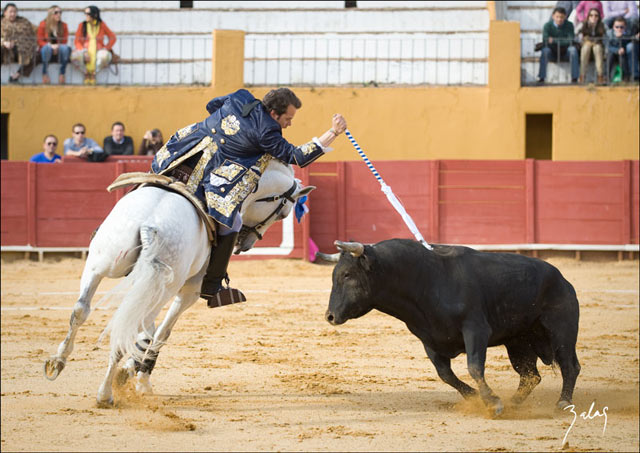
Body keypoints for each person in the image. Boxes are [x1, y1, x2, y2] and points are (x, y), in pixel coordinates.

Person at [151, 88, 347, 307]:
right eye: (288, 119)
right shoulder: (268, 133)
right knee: (232, 222)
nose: (289, 124)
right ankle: (212, 286)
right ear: (274, 113)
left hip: (183, 155)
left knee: (154, 182)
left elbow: (212, 106)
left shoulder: (240, 96)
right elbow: (297, 156)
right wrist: (333, 133)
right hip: (211, 173)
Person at [70, 5, 116, 85]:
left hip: (98, 50)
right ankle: (86, 73)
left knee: (105, 56)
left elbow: (112, 37)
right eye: (85, 13)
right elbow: (77, 41)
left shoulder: (102, 25)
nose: (86, 15)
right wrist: (84, 51)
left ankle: (94, 73)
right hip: (84, 51)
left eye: (88, 13)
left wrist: (105, 48)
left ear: (95, 15)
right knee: (74, 56)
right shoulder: (82, 25)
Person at [538, 7, 580, 84]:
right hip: (552, 51)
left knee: (573, 50)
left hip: (565, 51)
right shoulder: (547, 25)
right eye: (557, 17)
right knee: (545, 51)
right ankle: (542, 78)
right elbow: (546, 40)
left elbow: (570, 40)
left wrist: (554, 40)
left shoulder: (569, 25)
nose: (559, 19)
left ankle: (575, 78)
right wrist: (563, 41)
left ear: (565, 17)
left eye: (561, 17)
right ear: (553, 16)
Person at [1, 3, 38, 83]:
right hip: (5, 52)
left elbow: (33, 33)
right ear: (5, 13)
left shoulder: (24, 22)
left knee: (37, 55)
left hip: (22, 51)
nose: (13, 14)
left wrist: (18, 42)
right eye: (10, 12)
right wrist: (4, 42)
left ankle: (16, 76)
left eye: (15, 12)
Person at [37, 5, 71, 85]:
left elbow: (64, 40)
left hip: (59, 47)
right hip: (47, 47)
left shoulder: (63, 25)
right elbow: (40, 40)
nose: (59, 14)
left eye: (60, 12)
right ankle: (45, 73)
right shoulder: (43, 24)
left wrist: (57, 46)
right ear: (50, 14)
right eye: (56, 12)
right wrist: (51, 46)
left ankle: (62, 73)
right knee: (46, 49)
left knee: (66, 49)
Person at [605, 16, 639, 82]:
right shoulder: (609, 33)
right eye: (617, 27)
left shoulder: (627, 33)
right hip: (613, 52)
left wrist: (623, 37)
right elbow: (607, 45)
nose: (619, 29)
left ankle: (626, 77)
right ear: (613, 27)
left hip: (623, 53)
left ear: (625, 27)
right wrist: (617, 50)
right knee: (610, 56)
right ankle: (606, 76)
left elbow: (630, 41)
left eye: (621, 27)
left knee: (622, 58)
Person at [579, 7, 606, 84]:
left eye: (596, 15)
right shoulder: (583, 25)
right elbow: (577, 37)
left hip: (597, 48)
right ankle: (582, 76)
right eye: (591, 15)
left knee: (597, 48)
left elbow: (605, 39)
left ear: (599, 17)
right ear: (588, 16)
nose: (593, 17)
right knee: (586, 48)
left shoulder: (602, 25)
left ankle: (600, 76)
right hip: (586, 48)